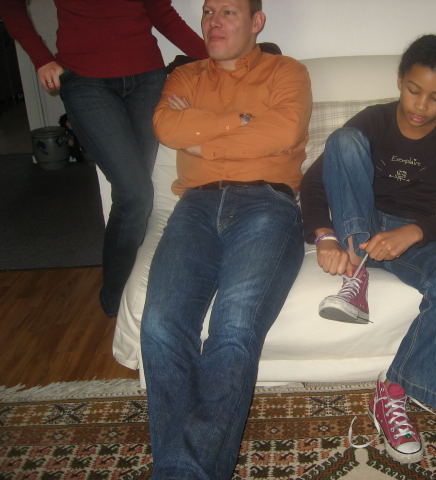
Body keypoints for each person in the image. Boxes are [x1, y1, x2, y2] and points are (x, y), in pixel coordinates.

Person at [139, 0, 311, 478]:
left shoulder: (287, 72)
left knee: (233, 330)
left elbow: (285, 130)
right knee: (160, 324)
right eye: (208, 10)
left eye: (229, 12)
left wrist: (202, 138)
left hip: (267, 206)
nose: (214, 20)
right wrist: (243, 121)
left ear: (257, 22)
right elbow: (166, 126)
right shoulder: (185, 76)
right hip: (195, 207)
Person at [300, 34, 436, 464]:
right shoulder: (373, 120)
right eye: (414, 91)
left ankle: (393, 392)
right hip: (357, 221)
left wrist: (414, 232)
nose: (421, 106)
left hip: (408, 231)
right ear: (400, 80)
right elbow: (313, 182)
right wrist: (325, 235)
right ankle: (357, 271)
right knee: (344, 140)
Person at [0, 0, 208, 317]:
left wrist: (218, 58)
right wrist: (42, 59)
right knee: (135, 196)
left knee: (137, 197)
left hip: (147, 79)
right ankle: (115, 302)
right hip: (86, 83)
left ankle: (136, 291)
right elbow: (10, 6)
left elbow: (162, 13)